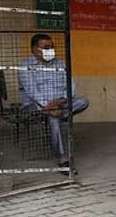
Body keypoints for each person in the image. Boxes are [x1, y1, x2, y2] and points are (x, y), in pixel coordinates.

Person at [19, 34, 90, 173]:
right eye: (46, 47)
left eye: (51, 47)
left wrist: (58, 103)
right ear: (34, 49)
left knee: (82, 101)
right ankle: (63, 159)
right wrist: (47, 108)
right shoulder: (25, 66)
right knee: (53, 117)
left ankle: (59, 113)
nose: (50, 50)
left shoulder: (61, 64)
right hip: (35, 106)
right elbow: (33, 92)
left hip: (60, 103)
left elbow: (71, 88)